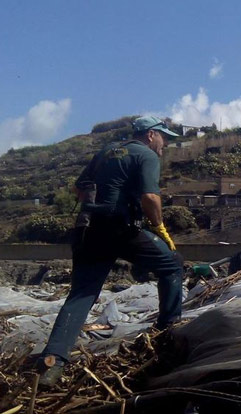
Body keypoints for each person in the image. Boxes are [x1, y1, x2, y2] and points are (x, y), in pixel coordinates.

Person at [36, 116, 184, 387]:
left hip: (88, 229)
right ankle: (168, 333)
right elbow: (150, 197)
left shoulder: (104, 152)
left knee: (82, 295)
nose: (166, 143)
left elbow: (78, 190)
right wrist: (160, 228)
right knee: (173, 264)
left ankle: (52, 363)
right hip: (121, 230)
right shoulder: (147, 156)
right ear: (151, 135)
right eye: (165, 137)